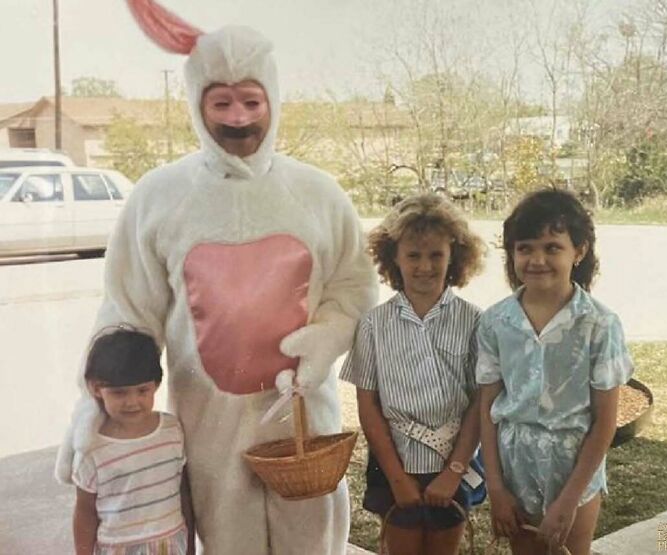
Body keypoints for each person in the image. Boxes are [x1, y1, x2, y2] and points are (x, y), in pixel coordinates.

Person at [56, 1, 378, 554]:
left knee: (312, 540)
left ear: (272, 99)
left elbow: (354, 287)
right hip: (209, 423)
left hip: (303, 418)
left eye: (251, 100)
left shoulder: (318, 193)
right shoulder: (159, 196)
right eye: (221, 101)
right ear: (196, 103)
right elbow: (126, 312)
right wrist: (92, 414)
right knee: (229, 540)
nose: (238, 117)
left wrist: (327, 339)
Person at [477, 189, 634, 555]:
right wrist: (497, 488)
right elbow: (487, 407)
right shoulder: (496, 322)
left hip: (573, 472)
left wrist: (568, 501)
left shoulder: (599, 324)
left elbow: (604, 421)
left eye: (552, 247)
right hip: (513, 470)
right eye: (525, 247)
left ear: (578, 251)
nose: (537, 259)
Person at [341, 194, 486, 555]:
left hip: (453, 465)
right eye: (413, 256)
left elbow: (482, 401)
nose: (425, 266)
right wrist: (397, 478)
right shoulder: (374, 325)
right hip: (397, 464)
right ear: (393, 257)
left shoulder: (474, 321)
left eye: (436, 254)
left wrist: (453, 472)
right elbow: (368, 404)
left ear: (454, 255)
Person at [72, 329, 195, 555]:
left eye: (142, 390)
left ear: (156, 385)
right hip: (118, 548)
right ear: (96, 388)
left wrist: (189, 546)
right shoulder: (91, 449)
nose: (132, 402)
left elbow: (183, 492)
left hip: (170, 543)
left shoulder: (172, 430)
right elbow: (85, 511)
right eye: (119, 393)